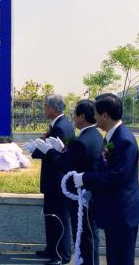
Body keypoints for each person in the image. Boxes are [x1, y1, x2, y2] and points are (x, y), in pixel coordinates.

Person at [73, 93, 139, 265]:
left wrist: (85, 178)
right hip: (115, 210)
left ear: (105, 115)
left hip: (123, 212)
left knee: (121, 260)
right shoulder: (112, 135)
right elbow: (103, 166)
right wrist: (90, 190)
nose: (94, 117)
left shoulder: (124, 140)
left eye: (96, 113)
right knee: (114, 258)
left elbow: (117, 176)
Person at [45, 100, 103, 265]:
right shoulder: (96, 136)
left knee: (85, 235)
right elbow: (76, 158)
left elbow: (65, 164)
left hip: (82, 195)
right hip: (90, 193)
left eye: (75, 115)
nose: (73, 119)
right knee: (89, 234)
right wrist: (63, 150)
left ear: (82, 116)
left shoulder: (82, 140)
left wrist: (50, 151)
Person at [24, 94, 75, 264]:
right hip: (54, 181)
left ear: (54, 108)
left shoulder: (60, 127)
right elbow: (51, 151)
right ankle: (52, 249)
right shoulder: (60, 125)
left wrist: (35, 150)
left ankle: (62, 255)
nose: (43, 109)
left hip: (57, 182)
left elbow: (54, 154)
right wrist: (37, 147)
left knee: (59, 219)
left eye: (46, 106)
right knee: (51, 217)